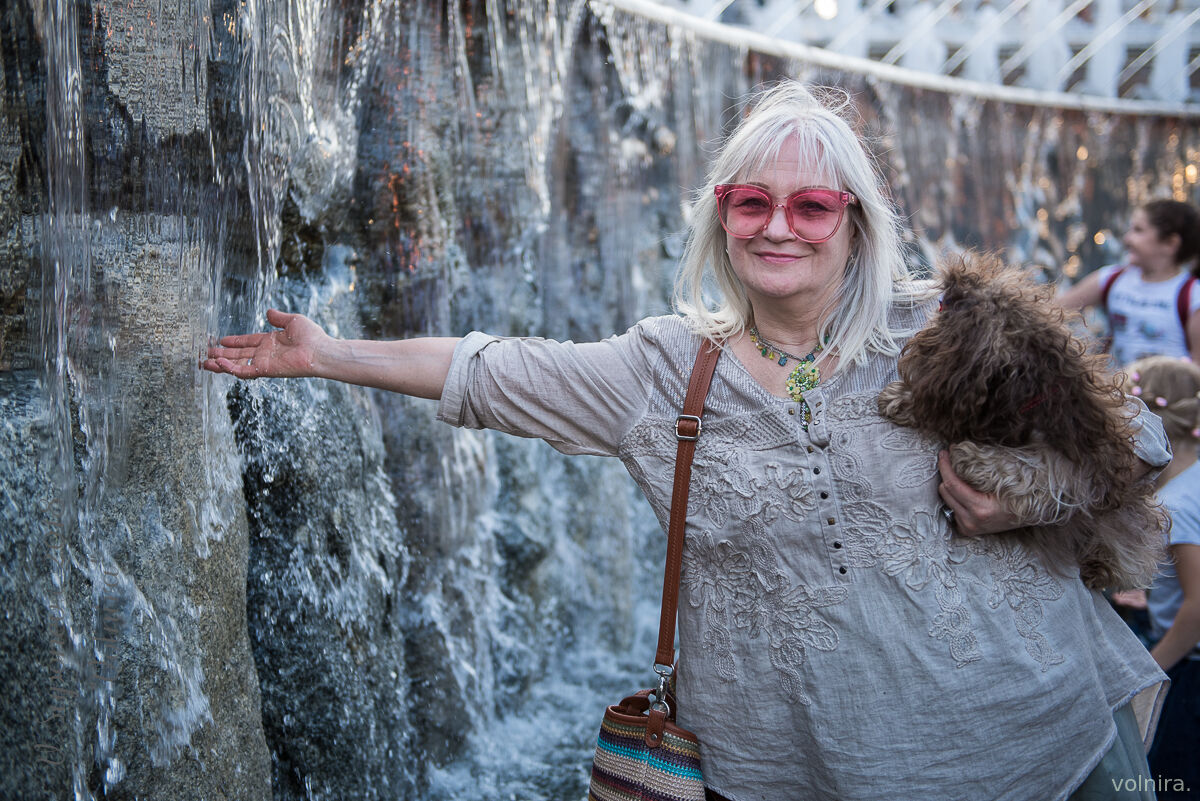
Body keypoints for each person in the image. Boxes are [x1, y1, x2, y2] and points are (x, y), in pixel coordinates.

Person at [204, 82, 1172, 801]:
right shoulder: (667, 369)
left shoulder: (954, 327)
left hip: (1042, 742)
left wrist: (1021, 495)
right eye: (752, 202)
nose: (779, 227)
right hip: (798, 770)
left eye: (811, 205)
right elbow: (489, 368)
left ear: (855, 222)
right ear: (722, 216)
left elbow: (1137, 442)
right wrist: (325, 353)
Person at [1124, 356, 1200, 801]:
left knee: (1174, 782)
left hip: (1187, 669)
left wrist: (1150, 673)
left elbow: (1198, 606)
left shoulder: (1174, 505)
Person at [1057, 199, 1200, 365]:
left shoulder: (1192, 296)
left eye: (1138, 230)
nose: (1127, 238)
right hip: (1117, 381)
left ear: (1170, 244)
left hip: (1171, 382)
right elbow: (1054, 310)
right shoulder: (1112, 279)